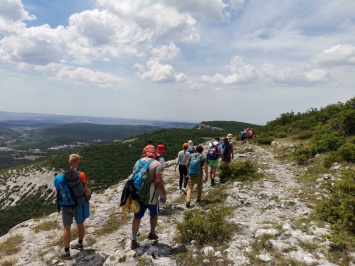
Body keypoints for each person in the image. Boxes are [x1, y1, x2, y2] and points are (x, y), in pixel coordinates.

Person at [131, 145, 167, 250]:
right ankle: (151, 233)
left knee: (136, 217)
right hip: (151, 195)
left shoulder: (138, 162)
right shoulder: (157, 164)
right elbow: (159, 181)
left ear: (145, 152)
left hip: (137, 193)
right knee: (154, 214)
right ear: (154, 153)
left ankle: (133, 239)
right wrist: (163, 193)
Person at [61, 154, 91, 260]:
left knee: (66, 228)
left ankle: (66, 251)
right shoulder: (81, 174)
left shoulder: (63, 174)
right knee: (80, 223)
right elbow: (85, 190)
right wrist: (89, 193)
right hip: (78, 204)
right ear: (78, 162)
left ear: (69, 162)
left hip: (66, 205)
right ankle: (80, 243)